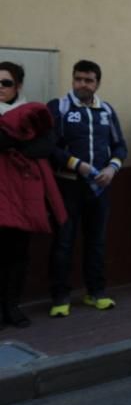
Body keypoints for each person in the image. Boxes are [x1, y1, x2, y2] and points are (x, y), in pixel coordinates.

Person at [47, 60, 127, 317]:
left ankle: (96, 293)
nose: (83, 84)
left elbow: (120, 147)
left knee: (97, 243)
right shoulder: (58, 108)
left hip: (99, 189)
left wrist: (112, 169)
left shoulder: (106, 110)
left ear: (97, 83)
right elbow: (50, 147)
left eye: (89, 80)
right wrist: (75, 164)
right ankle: (60, 298)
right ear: (73, 80)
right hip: (67, 186)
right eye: (79, 79)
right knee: (64, 242)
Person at [0, 62, 67, 328]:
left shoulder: (33, 113)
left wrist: (16, 142)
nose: (0, 88)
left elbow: (45, 146)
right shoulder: (29, 121)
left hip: (23, 197)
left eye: (6, 82)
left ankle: (11, 306)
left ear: (18, 86)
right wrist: (21, 140)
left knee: (19, 255)